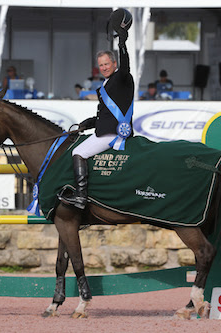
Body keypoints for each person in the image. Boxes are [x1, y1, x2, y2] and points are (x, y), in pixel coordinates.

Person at [59, 8, 134, 210]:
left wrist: (122, 42)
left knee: (79, 152)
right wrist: (87, 124)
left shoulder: (122, 78)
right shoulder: (105, 85)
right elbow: (106, 114)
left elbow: (126, 67)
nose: (103, 67)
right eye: (101, 65)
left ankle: (81, 197)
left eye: (107, 64)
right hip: (105, 128)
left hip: (114, 133)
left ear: (114, 63)